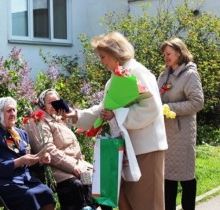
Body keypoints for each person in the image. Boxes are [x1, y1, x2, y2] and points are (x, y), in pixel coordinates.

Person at [62, 32, 168, 210]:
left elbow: (151, 109)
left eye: (103, 56)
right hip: (128, 148)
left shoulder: (137, 72)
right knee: (129, 201)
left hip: (146, 149)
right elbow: (105, 110)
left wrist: (117, 114)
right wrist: (76, 115)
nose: (101, 61)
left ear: (115, 52)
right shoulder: (115, 78)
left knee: (147, 203)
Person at [26, 89, 111, 210]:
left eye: (57, 102)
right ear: (42, 105)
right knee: (78, 186)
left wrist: (79, 162)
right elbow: (47, 149)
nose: (54, 105)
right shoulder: (38, 121)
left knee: (101, 181)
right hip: (57, 168)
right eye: (50, 103)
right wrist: (72, 166)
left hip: (76, 165)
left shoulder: (58, 119)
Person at [0, 97, 56, 210]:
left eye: (14, 110)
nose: (13, 114)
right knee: (29, 196)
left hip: (24, 179)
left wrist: (40, 161)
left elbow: (28, 163)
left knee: (47, 193)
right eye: (8, 110)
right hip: (3, 181)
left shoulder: (20, 133)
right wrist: (20, 161)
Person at [158, 38, 204, 210]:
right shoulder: (164, 75)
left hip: (183, 134)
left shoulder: (190, 74)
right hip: (166, 134)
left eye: (168, 54)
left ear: (180, 52)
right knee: (167, 177)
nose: (166, 57)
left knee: (186, 177)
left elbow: (197, 103)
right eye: (164, 54)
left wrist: (169, 107)